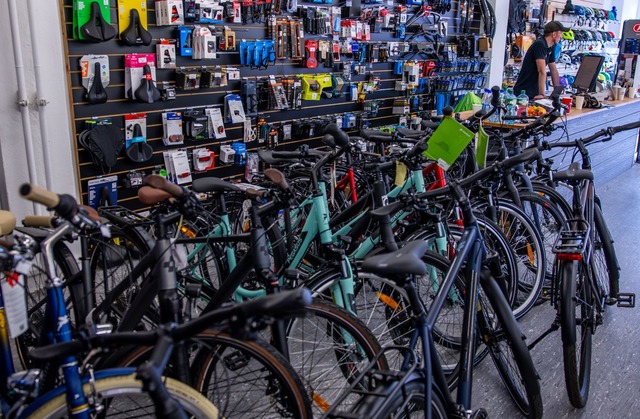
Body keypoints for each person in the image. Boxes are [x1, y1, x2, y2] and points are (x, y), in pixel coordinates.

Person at [513, 21, 570, 99]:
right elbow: (541, 71)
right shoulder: (540, 44)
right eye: (560, 34)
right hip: (524, 92)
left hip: (534, 91)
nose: (561, 37)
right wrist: (542, 94)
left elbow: (553, 70)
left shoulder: (551, 46)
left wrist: (556, 93)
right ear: (554, 34)